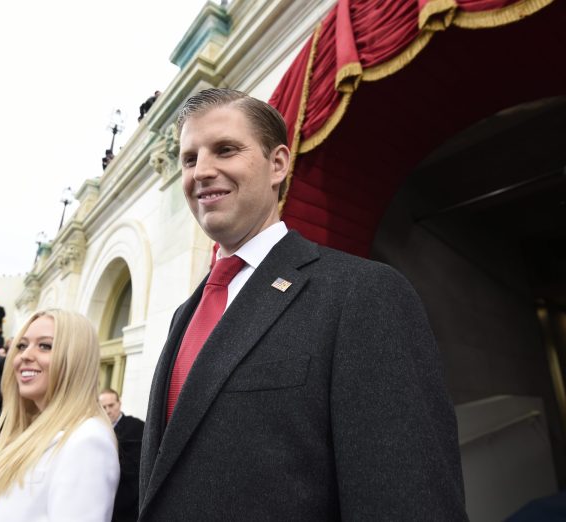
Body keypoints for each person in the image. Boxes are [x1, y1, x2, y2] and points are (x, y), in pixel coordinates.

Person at [138, 88, 467, 521]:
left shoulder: (361, 292)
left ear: (278, 164)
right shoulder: (186, 313)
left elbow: (409, 499)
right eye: (189, 158)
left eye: (226, 150)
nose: (202, 171)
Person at [0, 309, 119, 521]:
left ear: (76, 359)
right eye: (22, 345)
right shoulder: (25, 430)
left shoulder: (87, 439)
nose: (25, 355)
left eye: (45, 346)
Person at [99, 389, 144, 522]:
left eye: (111, 405)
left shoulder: (137, 427)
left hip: (128, 502)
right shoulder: (95, 429)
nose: (108, 410)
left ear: (119, 403)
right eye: (104, 407)